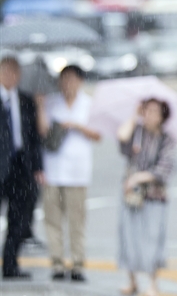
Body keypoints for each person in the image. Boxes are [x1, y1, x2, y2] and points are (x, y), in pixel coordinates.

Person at [37, 65, 101, 281]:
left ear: (80, 81)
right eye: (64, 79)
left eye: (72, 79)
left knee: (77, 220)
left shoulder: (88, 104)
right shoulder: (52, 102)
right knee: (52, 220)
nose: (67, 84)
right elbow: (42, 131)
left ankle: (77, 263)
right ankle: (57, 262)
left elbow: (97, 135)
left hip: (78, 172)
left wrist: (75, 126)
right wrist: (39, 106)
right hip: (53, 169)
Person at [117, 98, 175, 296]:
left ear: (162, 116)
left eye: (154, 111)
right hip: (131, 195)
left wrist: (138, 177)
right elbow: (121, 137)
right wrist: (135, 116)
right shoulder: (137, 133)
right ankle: (132, 280)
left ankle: (152, 283)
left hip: (153, 196)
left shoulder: (166, 139)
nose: (150, 115)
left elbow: (163, 170)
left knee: (152, 239)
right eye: (147, 111)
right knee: (128, 237)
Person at [0, 56, 43, 279]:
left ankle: (10, 265)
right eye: (6, 72)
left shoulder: (26, 100)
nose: (11, 77)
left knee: (19, 219)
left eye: (15, 72)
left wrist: (38, 167)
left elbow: (34, 138)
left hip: (21, 167)